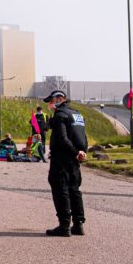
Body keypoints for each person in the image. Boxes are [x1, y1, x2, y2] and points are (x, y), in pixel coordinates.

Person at [43, 90, 88, 237]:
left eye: (51, 100)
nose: (50, 104)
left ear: (60, 99)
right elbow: (82, 136)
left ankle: (64, 225)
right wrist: (81, 152)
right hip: (75, 159)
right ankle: (78, 225)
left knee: (60, 188)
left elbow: (62, 138)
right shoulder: (77, 114)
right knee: (74, 189)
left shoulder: (61, 114)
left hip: (62, 158)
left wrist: (75, 152)